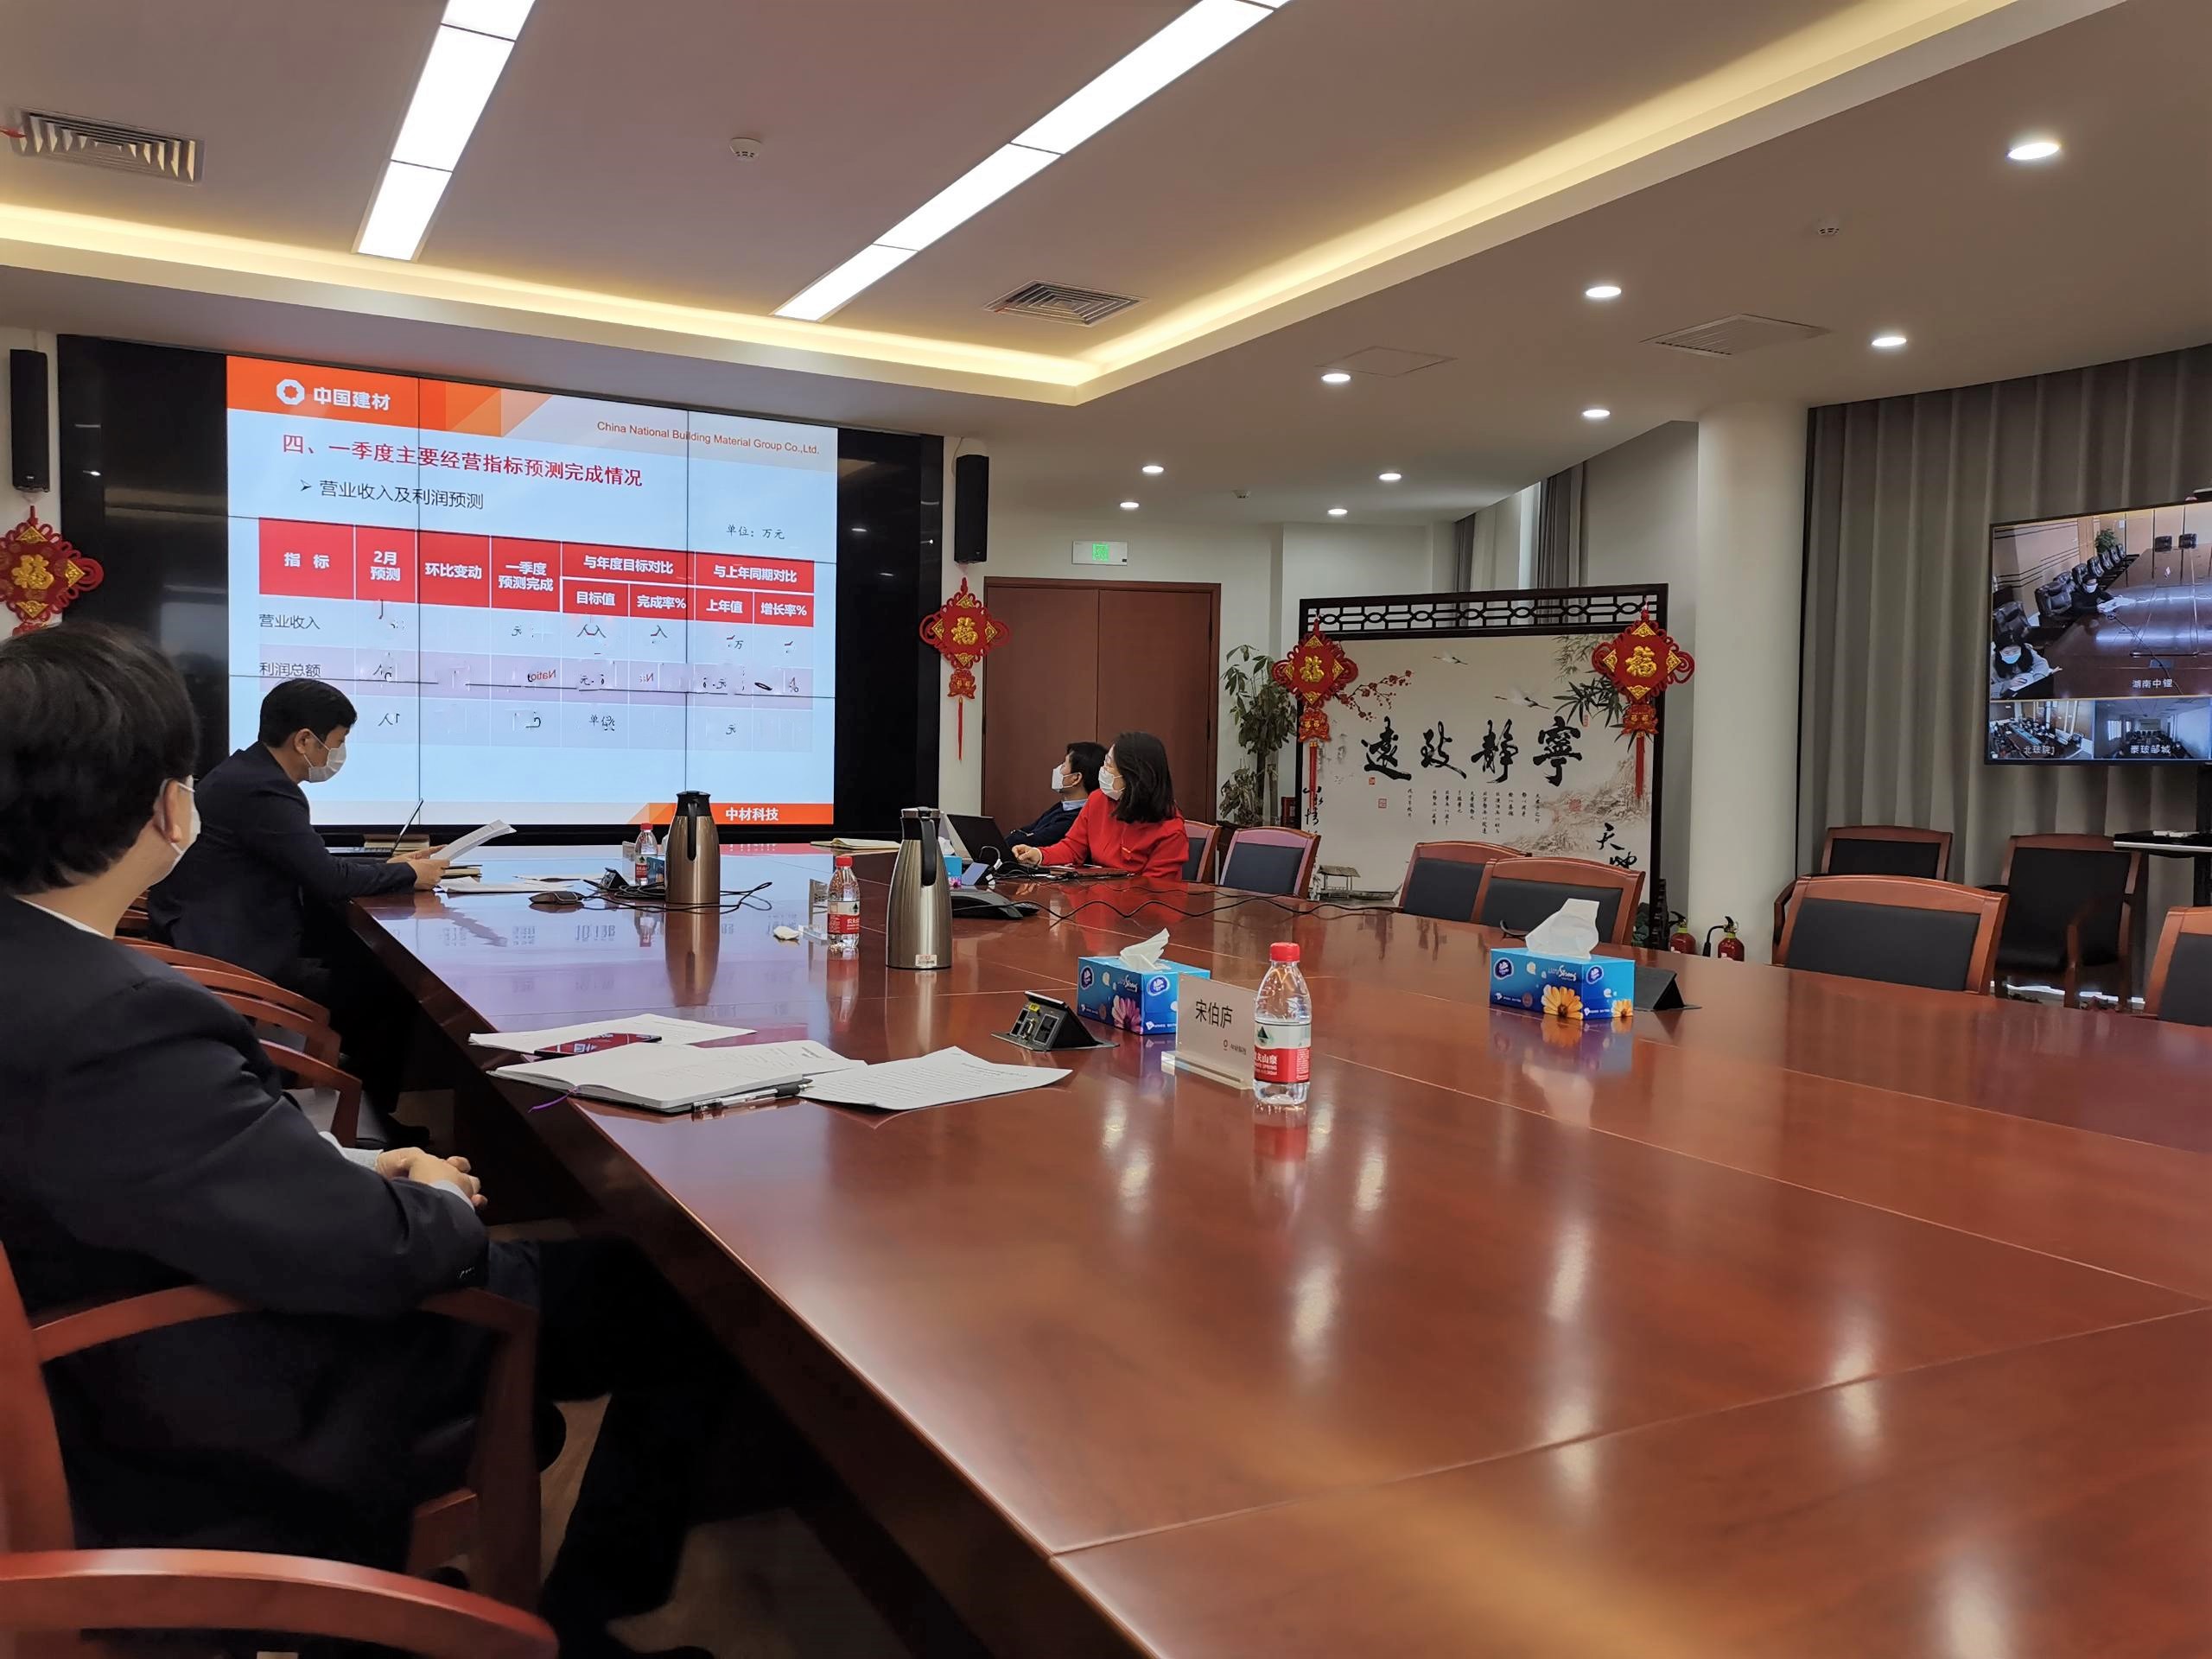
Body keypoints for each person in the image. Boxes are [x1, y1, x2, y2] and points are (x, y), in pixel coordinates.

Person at [0, 625, 729, 1659]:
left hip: (114, 1333)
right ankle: (583, 1620)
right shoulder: (115, 1018)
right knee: (678, 1295)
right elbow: (377, 1250)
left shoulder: (36, 969)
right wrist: (432, 1196)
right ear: (169, 808)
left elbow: (168, 1161)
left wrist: (349, 1162)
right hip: (212, 1389)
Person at [146, 677, 448, 996]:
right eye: (338, 742)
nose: (338, 753)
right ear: (304, 740)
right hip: (233, 963)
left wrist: (389, 866)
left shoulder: (247, 772)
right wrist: (409, 874)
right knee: (393, 990)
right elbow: (330, 880)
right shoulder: (264, 790)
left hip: (214, 940)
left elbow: (311, 861)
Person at [1014, 730, 1189, 878]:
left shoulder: (1170, 829)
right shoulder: (1098, 800)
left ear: (1133, 776)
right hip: (1096, 898)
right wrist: (1039, 855)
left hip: (1137, 905)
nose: (1103, 770)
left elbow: (1155, 890)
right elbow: (1072, 848)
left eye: (1109, 765)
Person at [1008, 739, 1105, 849]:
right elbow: (1026, 831)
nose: (1058, 769)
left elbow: (1030, 841)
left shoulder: (1076, 818)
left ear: (1076, 778)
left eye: (1064, 765)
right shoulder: (1062, 806)